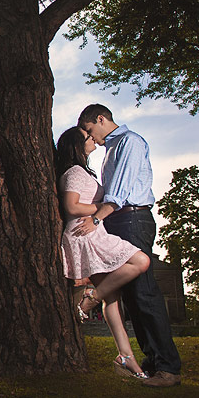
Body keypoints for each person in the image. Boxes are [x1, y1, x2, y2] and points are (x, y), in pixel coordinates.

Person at [76, 104, 182, 388]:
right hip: (120, 220)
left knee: (144, 291)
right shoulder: (111, 150)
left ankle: (169, 368)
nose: (91, 137)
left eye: (89, 130)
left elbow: (119, 192)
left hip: (133, 218)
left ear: (100, 119)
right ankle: (153, 361)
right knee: (134, 295)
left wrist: (96, 220)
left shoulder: (129, 142)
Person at [55, 127, 152, 380]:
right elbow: (71, 206)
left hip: (91, 232)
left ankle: (126, 357)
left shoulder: (81, 171)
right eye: (87, 138)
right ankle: (90, 299)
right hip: (85, 234)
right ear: (77, 145)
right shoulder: (75, 172)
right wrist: (104, 207)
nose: (93, 140)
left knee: (114, 296)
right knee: (140, 261)